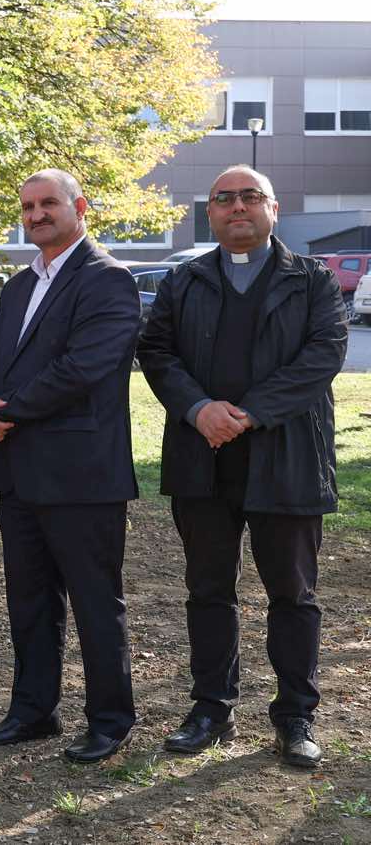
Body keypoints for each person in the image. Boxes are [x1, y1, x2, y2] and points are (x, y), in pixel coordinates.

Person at [138, 166, 346, 769]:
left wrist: (250, 414)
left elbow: (323, 355)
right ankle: (211, 709)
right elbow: (156, 352)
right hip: (203, 462)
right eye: (223, 199)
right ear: (210, 214)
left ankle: (296, 716)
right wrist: (198, 409)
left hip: (287, 461)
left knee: (293, 593)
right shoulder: (184, 281)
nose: (236, 207)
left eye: (249, 197)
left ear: (273, 210)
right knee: (207, 590)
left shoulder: (311, 281)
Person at [0, 169, 140, 764]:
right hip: (19, 470)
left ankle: (111, 719)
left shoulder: (109, 280)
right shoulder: (17, 286)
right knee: (29, 601)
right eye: (28, 206)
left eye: (48, 204)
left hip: (81, 472)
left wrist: (5, 410)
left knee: (95, 601)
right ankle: (33, 710)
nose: (36, 214)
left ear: (80, 207)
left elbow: (83, 368)